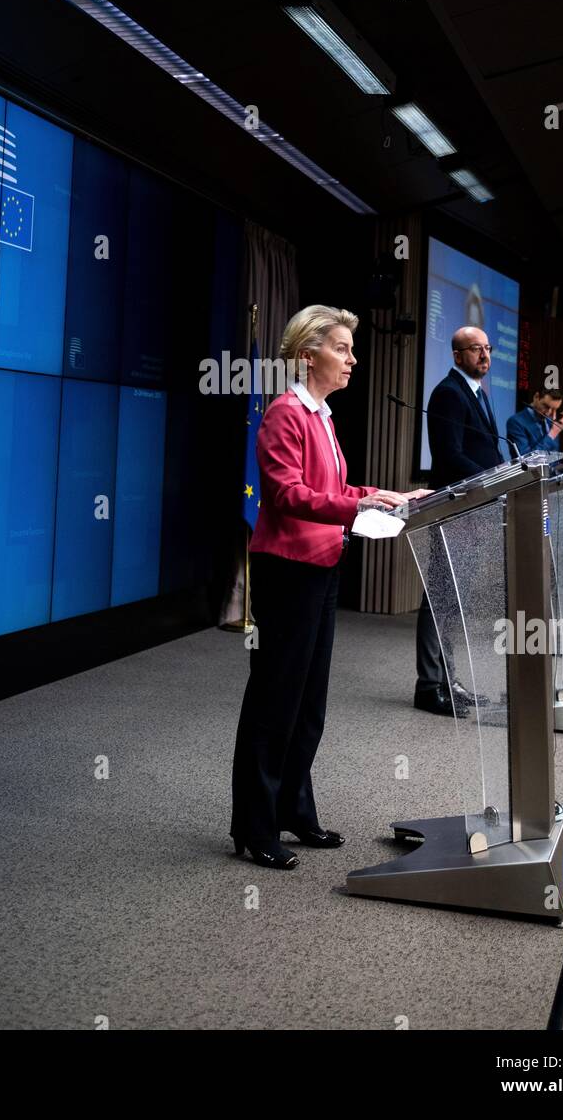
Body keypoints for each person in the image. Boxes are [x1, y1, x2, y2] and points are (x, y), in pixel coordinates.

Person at [230, 304, 427, 870]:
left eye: (350, 348)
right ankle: (255, 825)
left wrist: (382, 494)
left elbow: (333, 487)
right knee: (275, 700)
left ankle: (294, 809)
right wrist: (355, 504)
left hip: (321, 568)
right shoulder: (284, 413)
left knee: (309, 703)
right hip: (288, 570)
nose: (352, 358)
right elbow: (287, 494)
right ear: (306, 352)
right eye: (341, 347)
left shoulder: (322, 414)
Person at [414, 326, 504, 717]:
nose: (484, 356)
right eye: (475, 349)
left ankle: (448, 679)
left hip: (474, 512)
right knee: (440, 598)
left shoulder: (478, 392)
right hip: (456, 509)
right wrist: (491, 484)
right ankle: (429, 684)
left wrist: (506, 474)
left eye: (487, 348)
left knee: (454, 600)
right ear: (457, 355)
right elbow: (449, 456)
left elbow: (484, 450)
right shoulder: (448, 394)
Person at [507, 388, 563, 456]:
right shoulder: (516, 422)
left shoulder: (551, 422)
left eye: (555, 409)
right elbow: (525, 459)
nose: (550, 413)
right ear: (536, 397)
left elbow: (554, 456)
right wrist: (552, 434)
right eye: (546, 407)